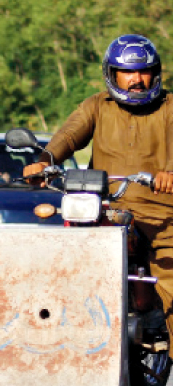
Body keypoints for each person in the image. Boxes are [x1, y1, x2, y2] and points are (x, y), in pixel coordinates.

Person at [23, 34, 173, 345]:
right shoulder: (97, 105)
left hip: (161, 212)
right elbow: (69, 135)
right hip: (104, 207)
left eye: (144, 71)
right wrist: (44, 161)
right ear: (112, 74)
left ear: (155, 73)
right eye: (128, 72)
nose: (137, 79)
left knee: (171, 279)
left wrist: (169, 174)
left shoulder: (169, 107)